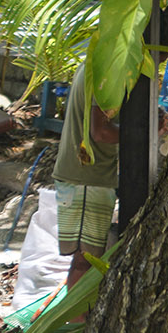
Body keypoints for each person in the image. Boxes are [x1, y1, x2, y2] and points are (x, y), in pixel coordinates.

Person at [51, 58, 120, 282]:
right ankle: (77, 317)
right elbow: (100, 133)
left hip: (88, 177)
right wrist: (146, 132)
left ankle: (78, 316)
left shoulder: (96, 61)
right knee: (86, 260)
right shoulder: (107, 70)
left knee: (87, 258)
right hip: (85, 179)